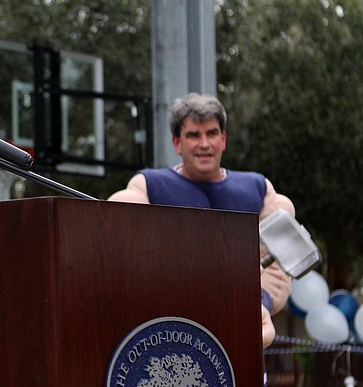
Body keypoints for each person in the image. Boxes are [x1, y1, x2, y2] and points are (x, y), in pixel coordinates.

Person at [108, 93, 294, 350]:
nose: (204, 143)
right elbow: (122, 246)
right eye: (194, 135)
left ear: (223, 139)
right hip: (169, 337)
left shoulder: (257, 189)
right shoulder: (150, 187)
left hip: (243, 335)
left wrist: (260, 304)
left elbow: (277, 266)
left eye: (212, 133)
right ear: (177, 143)